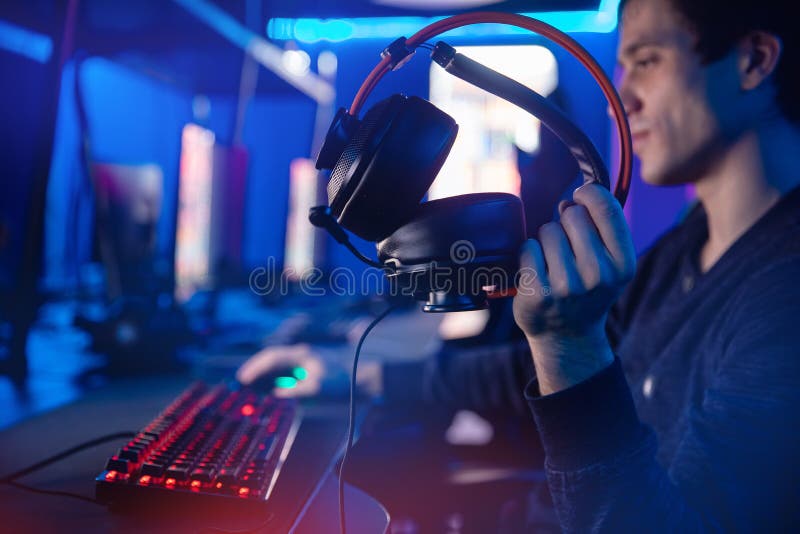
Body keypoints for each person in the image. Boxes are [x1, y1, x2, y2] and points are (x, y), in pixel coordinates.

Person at [241, 0, 800, 529]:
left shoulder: (783, 299)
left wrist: (571, 349)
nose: (619, 99)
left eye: (647, 62)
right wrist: (361, 375)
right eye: (622, 69)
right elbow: (526, 372)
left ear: (752, 60)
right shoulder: (685, 247)